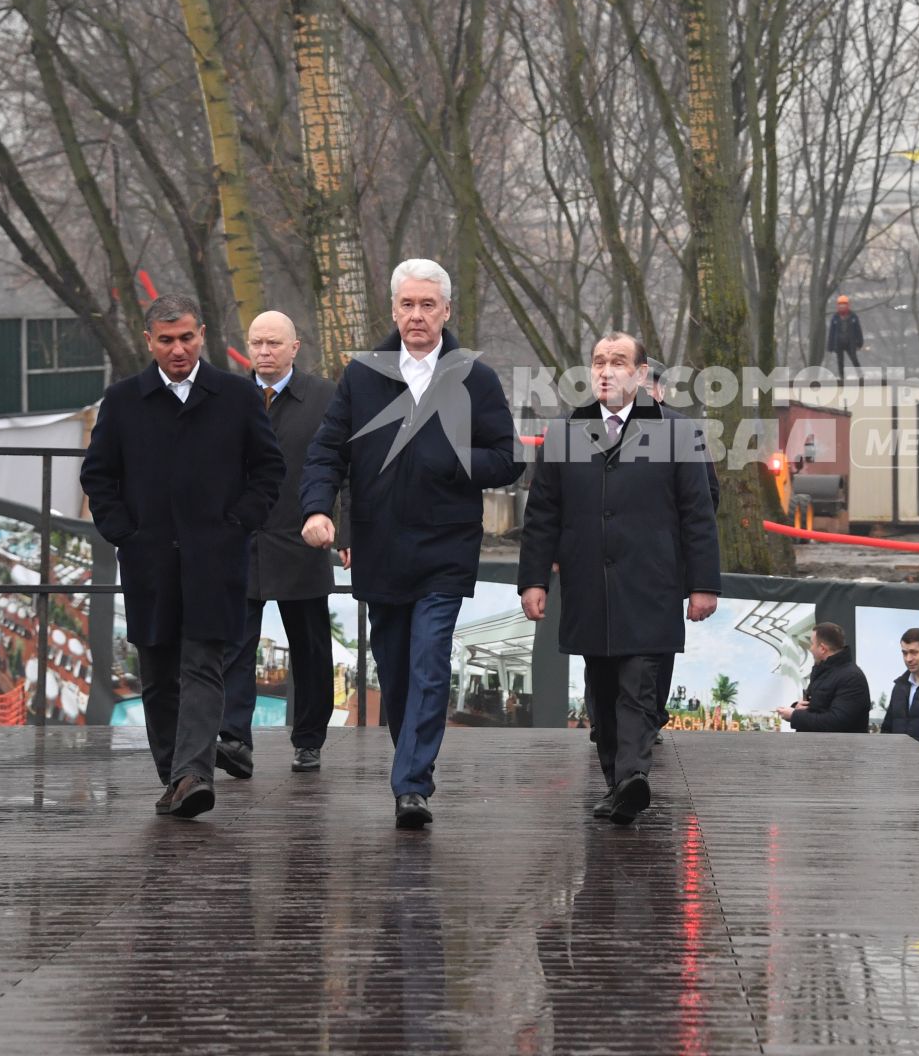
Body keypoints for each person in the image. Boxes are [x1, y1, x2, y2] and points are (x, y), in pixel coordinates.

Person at [299, 259, 522, 829]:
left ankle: (411, 786)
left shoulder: (476, 377)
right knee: (394, 670)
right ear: (394, 310)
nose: (417, 315)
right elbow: (328, 450)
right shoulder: (362, 376)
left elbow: (508, 458)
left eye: (428, 305)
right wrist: (318, 508)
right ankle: (411, 763)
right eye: (407, 305)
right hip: (378, 546)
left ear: (447, 311)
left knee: (429, 662)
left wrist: (455, 460)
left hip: (445, 549)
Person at [79, 295, 283, 818]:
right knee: (158, 670)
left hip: (215, 558)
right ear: (149, 340)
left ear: (203, 335)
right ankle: (176, 774)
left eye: (187, 337)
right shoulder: (124, 400)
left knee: (203, 664)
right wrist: (124, 532)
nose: (178, 349)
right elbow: (98, 476)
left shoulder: (236, 396)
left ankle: (193, 774)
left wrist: (237, 523)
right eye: (167, 339)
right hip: (149, 561)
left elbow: (268, 469)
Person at [517, 331, 721, 825]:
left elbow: (698, 512)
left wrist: (703, 584)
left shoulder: (678, 431)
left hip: (651, 583)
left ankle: (633, 775)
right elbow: (543, 513)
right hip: (588, 585)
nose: (606, 370)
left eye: (618, 361)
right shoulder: (565, 432)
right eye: (599, 361)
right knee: (601, 689)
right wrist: (534, 580)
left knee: (638, 683)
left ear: (640, 374)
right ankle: (618, 782)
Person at [216, 311, 342, 779]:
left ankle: (309, 741)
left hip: (303, 537)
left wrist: (341, 532)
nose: (264, 351)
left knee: (310, 650)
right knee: (235, 645)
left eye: (274, 343)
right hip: (240, 541)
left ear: (295, 347)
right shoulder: (228, 397)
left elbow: (342, 467)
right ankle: (234, 740)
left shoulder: (325, 397)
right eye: (257, 343)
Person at [647, 360, 720, 737]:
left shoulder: (682, 432)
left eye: (648, 385)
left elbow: (706, 499)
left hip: (662, 565)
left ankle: (651, 718)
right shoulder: (592, 429)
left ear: (660, 390)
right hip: (607, 565)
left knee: (658, 647)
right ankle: (606, 722)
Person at [777, 622, 872, 733]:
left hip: (837, 749)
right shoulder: (823, 672)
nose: (810, 649)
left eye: (811, 643)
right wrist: (798, 708)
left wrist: (794, 715)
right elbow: (818, 710)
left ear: (822, 648)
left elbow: (836, 722)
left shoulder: (852, 678)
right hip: (819, 748)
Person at [879, 626, 919, 744]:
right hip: (899, 759)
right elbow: (887, 728)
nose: (908, 659)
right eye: (904, 653)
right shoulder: (899, 686)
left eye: (914, 653)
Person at [826, 294, 863, 379]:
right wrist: (830, 346)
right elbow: (832, 332)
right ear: (838, 306)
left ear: (847, 305)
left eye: (844, 305)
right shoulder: (835, 317)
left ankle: (860, 375)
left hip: (850, 342)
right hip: (839, 342)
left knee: (854, 358)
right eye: (840, 305)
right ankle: (842, 377)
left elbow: (858, 330)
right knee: (840, 361)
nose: (842, 307)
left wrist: (859, 343)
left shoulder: (853, 316)